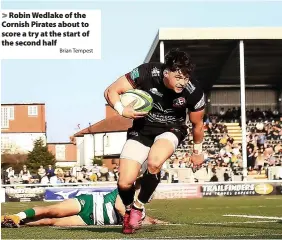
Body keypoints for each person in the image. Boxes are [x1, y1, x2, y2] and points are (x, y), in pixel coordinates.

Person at [104, 48, 205, 233]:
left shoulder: (194, 91)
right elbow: (111, 91)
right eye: (178, 77)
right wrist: (122, 110)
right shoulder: (146, 72)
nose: (183, 82)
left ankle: (138, 206)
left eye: (186, 77)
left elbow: (197, 124)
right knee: (124, 183)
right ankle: (129, 211)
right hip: (142, 130)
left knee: (154, 162)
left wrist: (197, 151)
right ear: (166, 72)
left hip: (171, 129)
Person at [1, 188, 160, 228]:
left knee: (50, 221)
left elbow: (146, 219)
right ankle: (18, 215)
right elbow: (119, 206)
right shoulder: (128, 188)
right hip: (88, 203)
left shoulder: (140, 209)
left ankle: (15, 222)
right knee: (52, 210)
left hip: (89, 220)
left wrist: (157, 222)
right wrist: (131, 220)